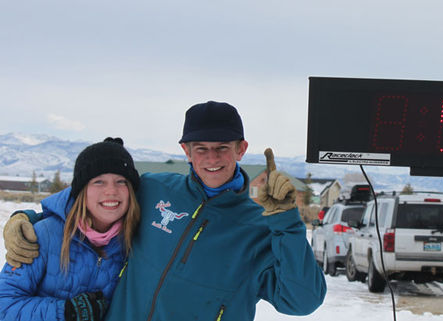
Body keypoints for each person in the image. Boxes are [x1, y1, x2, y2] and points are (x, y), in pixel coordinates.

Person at [3, 101, 327, 320]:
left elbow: (303, 301)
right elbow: (97, 194)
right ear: (185, 151)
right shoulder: (154, 189)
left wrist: (287, 222)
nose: (212, 159)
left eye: (222, 148)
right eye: (201, 148)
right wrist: (30, 218)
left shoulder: (260, 226)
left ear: (241, 149)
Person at [0, 137, 141, 321]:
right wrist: (65, 312)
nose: (111, 191)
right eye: (99, 181)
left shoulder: (138, 240)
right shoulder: (43, 235)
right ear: (81, 190)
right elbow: (4, 305)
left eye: (121, 181)